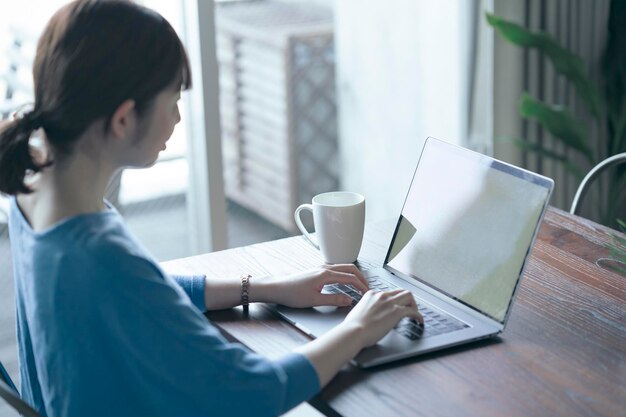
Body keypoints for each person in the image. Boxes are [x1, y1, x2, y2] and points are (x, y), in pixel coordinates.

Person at [0, 1, 421, 416]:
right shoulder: (97, 252)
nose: (178, 119)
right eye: (172, 103)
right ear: (124, 119)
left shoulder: (35, 190)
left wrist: (266, 287)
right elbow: (254, 390)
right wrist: (358, 329)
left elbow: (141, 290)